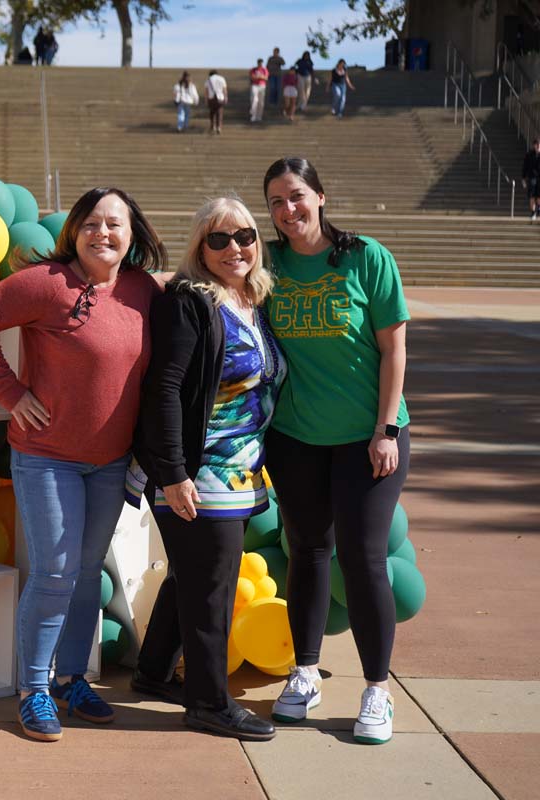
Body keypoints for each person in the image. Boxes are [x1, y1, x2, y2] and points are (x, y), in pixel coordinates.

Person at [0, 187, 166, 743]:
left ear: (132, 234)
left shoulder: (143, 290)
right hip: (47, 458)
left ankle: (73, 680)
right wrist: (9, 391)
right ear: (74, 230)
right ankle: (34, 690)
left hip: (112, 462)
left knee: (86, 573)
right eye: (92, 223)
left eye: (115, 224)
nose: (103, 234)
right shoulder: (48, 284)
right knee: (54, 572)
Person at [261, 157, 410, 745]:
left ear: (320, 196)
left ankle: (377, 689)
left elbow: (394, 351)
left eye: (296, 196)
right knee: (306, 551)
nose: (287, 210)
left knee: (364, 557)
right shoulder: (266, 265)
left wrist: (386, 430)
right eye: (275, 201)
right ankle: (304, 673)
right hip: (296, 438)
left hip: (367, 438)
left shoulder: (365, 257)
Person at [126, 197, 284, 742]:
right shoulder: (190, 301)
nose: (232, 248)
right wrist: (172, 473)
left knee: (194, 575)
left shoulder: (252, 298)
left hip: (239, 470)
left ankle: (151, 672)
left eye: (242, 236)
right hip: (196, 470)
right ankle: (208, 703)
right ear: (199, 248)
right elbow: (165, 388)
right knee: (211, 587)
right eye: (217, 239)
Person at [205, 70, 228, 135]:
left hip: (211, 98)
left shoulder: (208, 80)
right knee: (219, 113)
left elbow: (206, 91)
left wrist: (206, 100)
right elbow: (224, 89)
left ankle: (212, 126)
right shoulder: (222, 79)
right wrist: (226, 97)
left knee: (212, 113)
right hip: (220, 98)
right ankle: (219, 127)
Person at [522, 139, 540, 220]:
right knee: (532, 196)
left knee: (539, 196)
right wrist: (523, 178)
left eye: (539, 144)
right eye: (537, 144)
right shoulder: (529, 155)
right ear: (534, 145)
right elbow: (525, 167)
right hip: (532, 177)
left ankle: (538, 209)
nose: (538, 146)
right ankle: (533, 212)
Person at [250, 58, 269, 123]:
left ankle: (259, 116)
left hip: (262, 86)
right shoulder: (253, 69)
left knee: (261, 102)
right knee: (254, 100)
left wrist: (259, 76)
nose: (260, 64)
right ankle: (253, 116)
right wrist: (261, 76)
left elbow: (266, 78)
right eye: (259, 63)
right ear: (257, 63)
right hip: (255, 85)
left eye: (261, 63)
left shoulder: (264, 69)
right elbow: (252, 77)